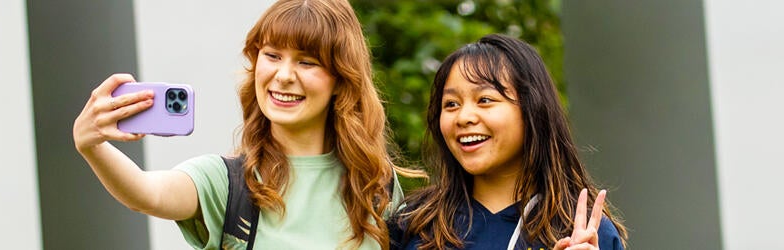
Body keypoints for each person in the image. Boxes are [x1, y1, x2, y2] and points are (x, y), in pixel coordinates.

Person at [68, 0, 413, 249]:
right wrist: (91, 145)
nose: (284, 76)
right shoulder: (227, 183)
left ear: (341, 78)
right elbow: (147, 194)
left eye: (307, 62)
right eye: (272, 55)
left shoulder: (374, 184)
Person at [389, 34, 627, 250]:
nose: (464, 117)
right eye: (451, 104)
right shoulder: (413, 224)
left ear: (532, 110)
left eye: (484, 99)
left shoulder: (583, 232)